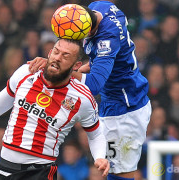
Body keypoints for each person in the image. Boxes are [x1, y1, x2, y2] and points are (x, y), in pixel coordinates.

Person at [0, 38, 110, 180]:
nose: (57, 57)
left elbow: (95, 134)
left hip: (39, 172)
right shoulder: (27, 72)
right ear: (49, 52)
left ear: (76, 66)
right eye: (56, 51)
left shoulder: (82, 98)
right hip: (5, 168)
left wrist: (100, 157)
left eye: (65, 56)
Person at [29, 2, 152, 180]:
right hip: (115, 101)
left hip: (125, 111)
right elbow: (106, 60)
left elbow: (94, 85)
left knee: (119, 175)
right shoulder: (101, 6)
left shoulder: (106, 41)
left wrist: (56, 68)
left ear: (86, 30)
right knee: (109, 171)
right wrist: (87, 66)